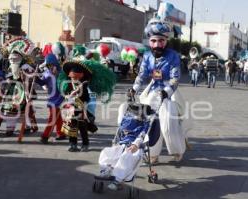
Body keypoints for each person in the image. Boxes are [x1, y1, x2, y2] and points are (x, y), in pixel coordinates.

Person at [128, 18, 186, 163]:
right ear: (149, 41)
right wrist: (134, 89)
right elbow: (142, 75)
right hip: (152, 91)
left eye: (161, 40)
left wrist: (166, 91)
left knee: (167, 123)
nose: (157, 44)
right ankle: (152, 153)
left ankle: (177, 149)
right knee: (149, 122)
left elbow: (175, 78)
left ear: (166, 41)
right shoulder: (147, 56)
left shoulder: (173, 56)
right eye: (154, 41)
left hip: (168, 94)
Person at [58, 59, 116, 152]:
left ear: (80, 76)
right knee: (72, 128)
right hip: (70, 110)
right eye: (72, 77)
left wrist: (79, 99)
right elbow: (65, 95)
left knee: (82, 128)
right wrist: (69, 97)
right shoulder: (68, 85)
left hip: (81, 109)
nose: (74, 79)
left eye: (76, 77)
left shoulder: (84, 86)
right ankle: (73, 144)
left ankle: (85, 144)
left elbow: (87, 98)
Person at [37, 54, 66, 144]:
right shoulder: (46, 73)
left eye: (51, 65)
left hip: (59, 98)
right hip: (51, 98)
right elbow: (42, 82)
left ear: (55, 64)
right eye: (48, 65)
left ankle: (45, 136)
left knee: (52, 118)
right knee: (57, 117)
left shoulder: (62, 73)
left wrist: (57, 75)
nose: (50, 67)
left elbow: (65, 86)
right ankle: (61, 133)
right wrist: (36, 78)